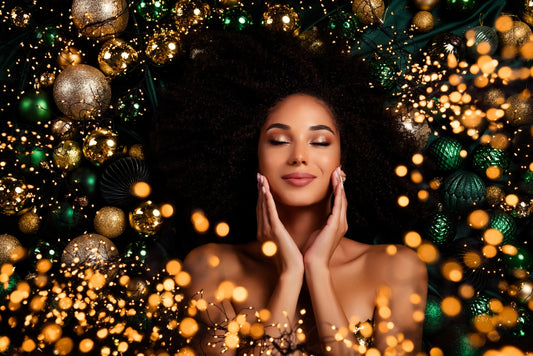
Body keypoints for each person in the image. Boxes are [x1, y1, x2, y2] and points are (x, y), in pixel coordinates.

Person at [150, 29, 428, 355]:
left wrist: (318, 271)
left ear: (345, 158)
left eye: (320, 141)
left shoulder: (397, 268)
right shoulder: (210, 267)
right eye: (279, 140)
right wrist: (289, 275)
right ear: (252, 155)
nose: (299, 155)